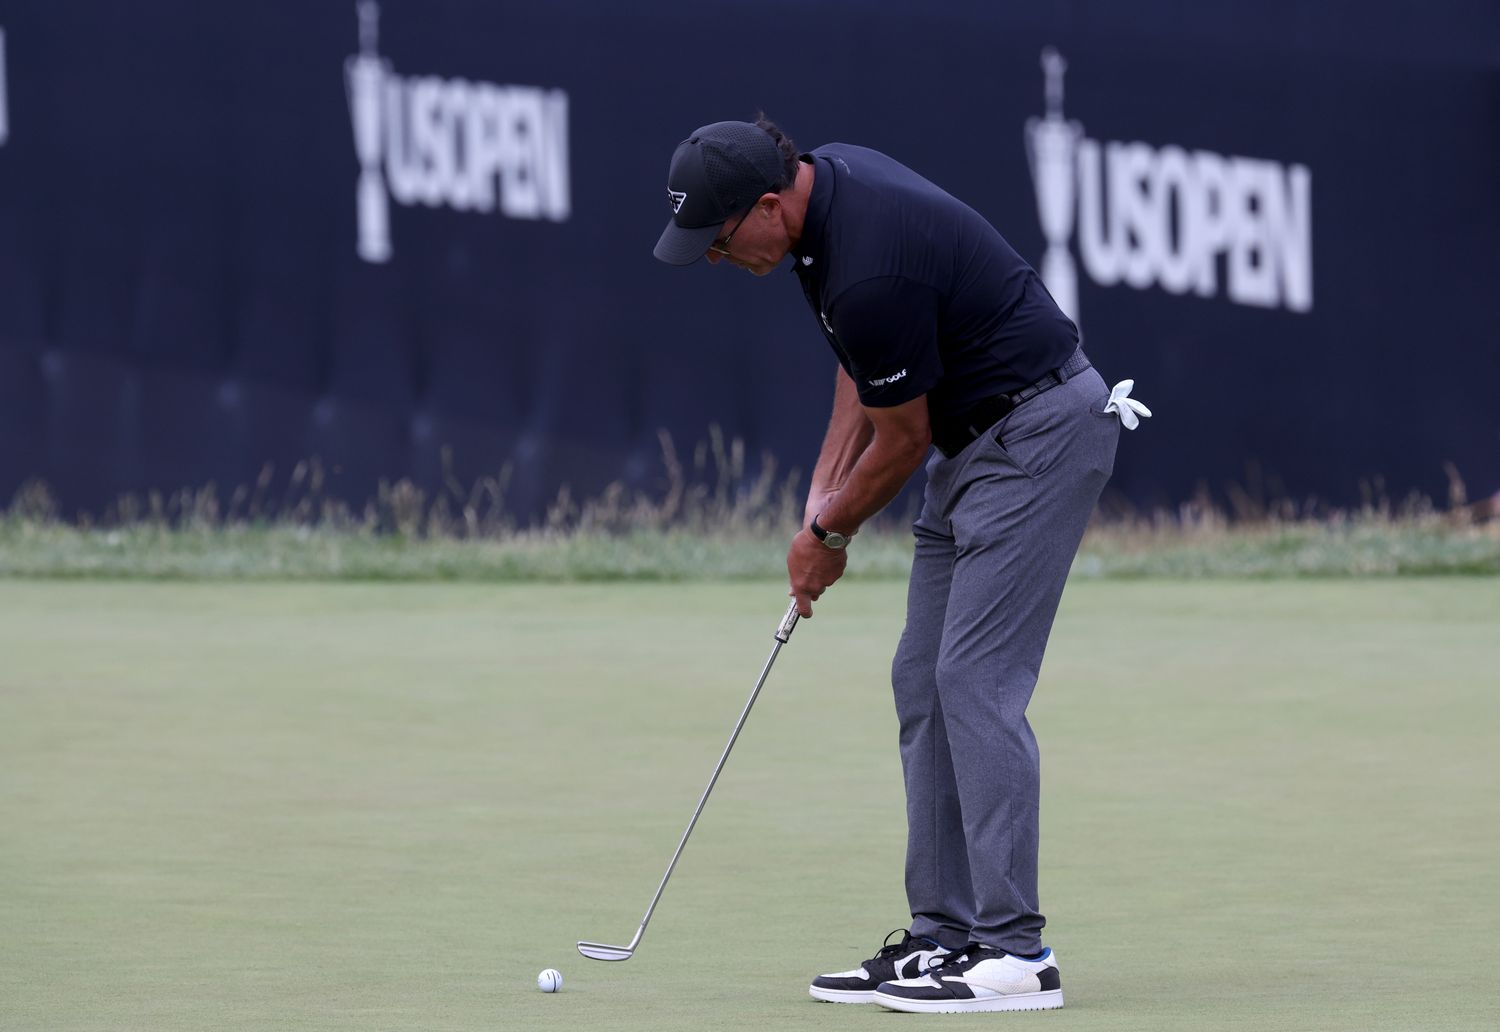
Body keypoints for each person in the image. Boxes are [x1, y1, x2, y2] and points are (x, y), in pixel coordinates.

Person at [652, 116, 1148, 1014]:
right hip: (975, 445)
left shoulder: (868, 262)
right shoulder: (828, 200)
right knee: (921, 678)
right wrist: (821, 489)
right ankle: (941, 936)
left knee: (974, 680)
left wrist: (827, 536)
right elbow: (867, 366)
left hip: (1037, 437)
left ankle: (1015, 953)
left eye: (721, 242)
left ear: (769, 203)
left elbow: (902, 437)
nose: (720, 260)